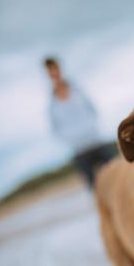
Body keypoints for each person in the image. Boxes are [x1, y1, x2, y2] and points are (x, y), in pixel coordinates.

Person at [45, 57, 117, 188]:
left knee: (119, 178)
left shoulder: (78, 90)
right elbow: (55, 129)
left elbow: (92, 109)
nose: (54, 73)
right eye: (50, 70)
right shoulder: (52, 104)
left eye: (55, 68)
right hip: (79, 151)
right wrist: (72, 140)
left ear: (59, 68)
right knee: (96, 190)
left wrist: (92, 128)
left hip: (97, 141)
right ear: (48, 74)